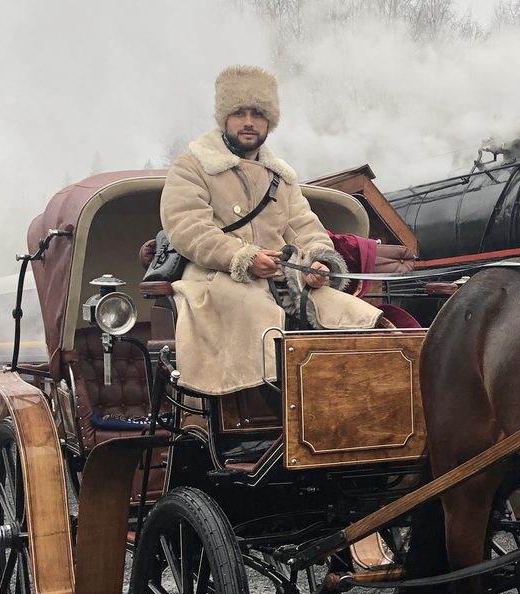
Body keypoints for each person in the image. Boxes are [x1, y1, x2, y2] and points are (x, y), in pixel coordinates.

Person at [161, 65, 384, 396]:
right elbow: (187, 226)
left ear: (269, 121)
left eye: (258, 114)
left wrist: (319, 263)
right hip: (215, 279)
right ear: (225, 118)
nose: (249, 122)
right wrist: (243, 257)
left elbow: (306, 228)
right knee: (259, 318)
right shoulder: (192, 166)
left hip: (285, 280)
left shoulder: (282, 177)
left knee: (356, 315)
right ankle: (265, 411)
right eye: (239, 113)